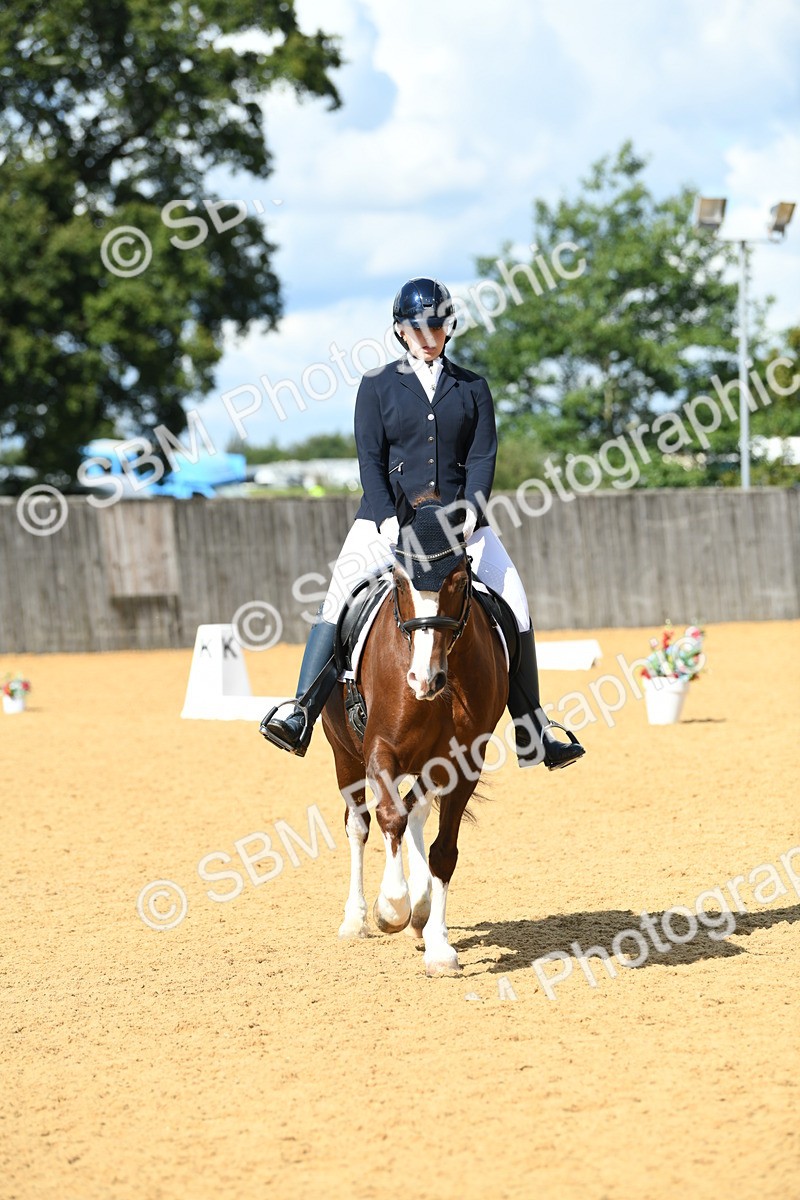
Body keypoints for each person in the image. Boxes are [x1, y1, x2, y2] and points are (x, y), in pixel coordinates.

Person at [260, 277, 585, 771]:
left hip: (462, 526)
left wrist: (473, 510)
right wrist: (387, 518)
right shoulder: (377, 387)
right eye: (418, 327)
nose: (428, 334)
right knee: (337, 597)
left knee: (515, 603)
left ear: (448, 327)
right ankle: (301, 709)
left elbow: (482, 458)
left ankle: (533, 727)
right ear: (400, 331)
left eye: (436, 324)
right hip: (385, 523)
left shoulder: (472, 387)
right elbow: (369, 461)